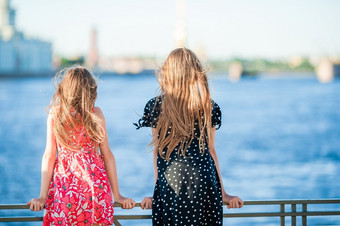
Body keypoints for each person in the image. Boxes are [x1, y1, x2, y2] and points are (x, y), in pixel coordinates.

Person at [135, 48, 244, 225]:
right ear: (195, 73)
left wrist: (158, 191)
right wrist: (223, 193)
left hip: (172, 182)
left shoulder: (155, 106)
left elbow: (158, 152)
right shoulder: (208, 107)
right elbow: (211, 151)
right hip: (204, 180)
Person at [27, 67, 135, 225]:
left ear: (64, 89)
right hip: (95, 188)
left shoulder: (55, 114)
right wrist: (117, 195)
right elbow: (108, 155)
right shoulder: (96, 114)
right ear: (90, 91)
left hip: (66, 190)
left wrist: (42, 196)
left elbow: (49, 156)